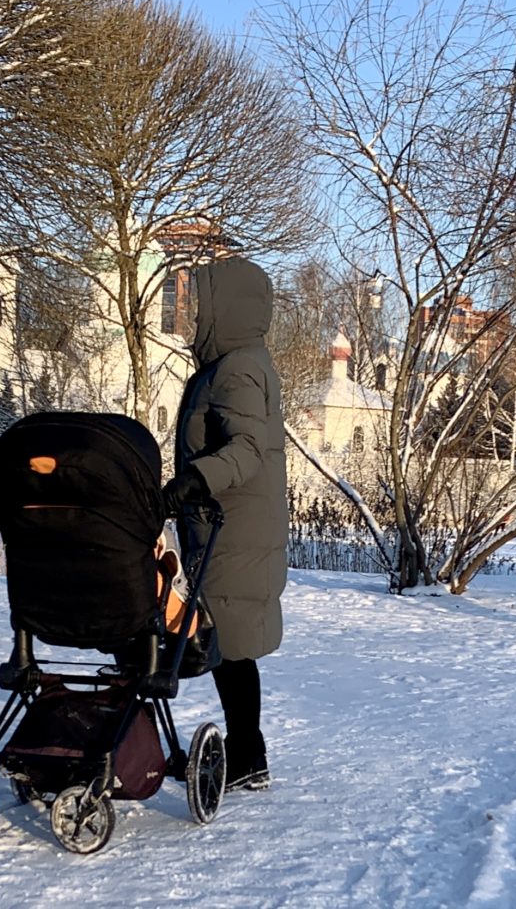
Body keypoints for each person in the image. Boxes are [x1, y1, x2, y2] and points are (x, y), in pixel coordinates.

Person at [161, 255, 289, 792]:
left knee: (227, 647)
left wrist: (194, 482)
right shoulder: (235, 363)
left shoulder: (237, 368)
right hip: (229, 524)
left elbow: (247, 449)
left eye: (202, 302)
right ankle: (248, 757)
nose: (193, 313)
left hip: (230, 527)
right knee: (226, 648)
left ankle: (247, 758)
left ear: (226, 307)